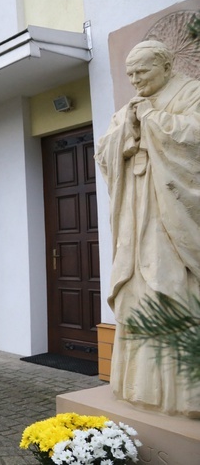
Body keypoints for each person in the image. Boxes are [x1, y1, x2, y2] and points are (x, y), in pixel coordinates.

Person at [95, 40, 200, 417]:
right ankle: (139, 387)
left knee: (172, 287)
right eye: (130, 74)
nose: (135, 80)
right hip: (136, 210)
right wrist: (126, 133)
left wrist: (151, 120)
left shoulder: (192, 93)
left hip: (169, 215)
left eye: (143, 72)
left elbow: (196, 139)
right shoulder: (130, 107)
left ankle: (183, 397)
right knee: (139, 290)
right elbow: (104, 150)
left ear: (167, 66)